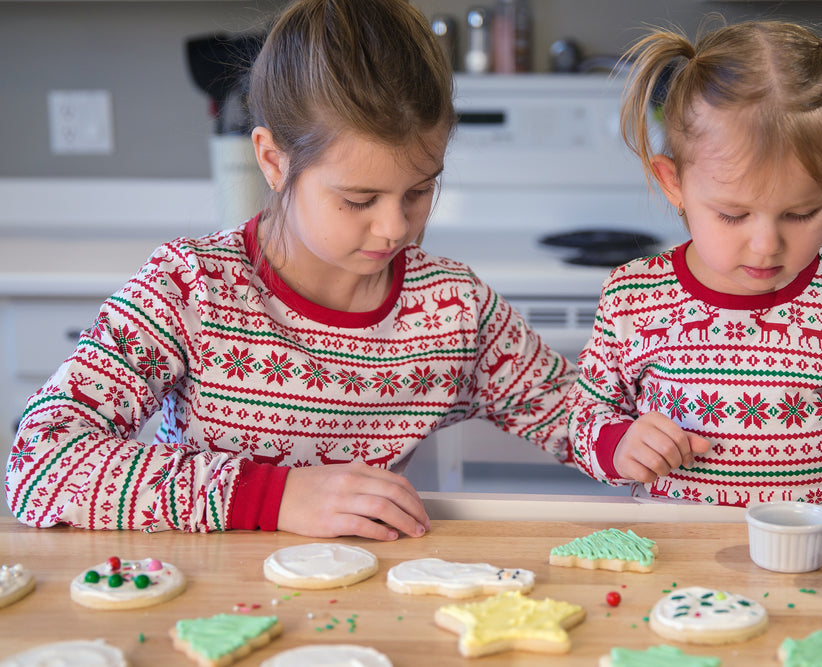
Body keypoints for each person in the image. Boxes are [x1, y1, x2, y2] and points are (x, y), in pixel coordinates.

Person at [5, 0, 576, 541]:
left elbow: (570, 410)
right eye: (358, 200)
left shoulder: (453, 306)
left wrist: (626, 438)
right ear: (274, 161)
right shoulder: (191, 286)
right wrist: (274, 497)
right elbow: (39, 460)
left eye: (420, 191)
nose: (395, 228)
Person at [569, 10, 822, 542]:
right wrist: (619, 444)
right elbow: (585, 419)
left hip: (819, 554)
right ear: (673, 183)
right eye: (733, 215)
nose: (766, 244)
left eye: (800, 213)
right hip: (680, 558)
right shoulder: (632, 297)